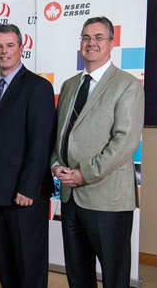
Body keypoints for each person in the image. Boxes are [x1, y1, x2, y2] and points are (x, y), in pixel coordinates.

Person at [51, 16, 144, 288]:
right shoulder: (69, 85)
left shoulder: (127, 84)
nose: (91, 43)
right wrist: (56, 165)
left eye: (98, 37)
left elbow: (125, 142)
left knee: (114, 277)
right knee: (78, 276)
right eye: (86, 38)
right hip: (70, 198)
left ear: (111, 43)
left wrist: (84, 174)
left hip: (108, 199)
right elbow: (59, 136)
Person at [0, 24, 56, 288]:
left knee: (30, 266)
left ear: (21, 48)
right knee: (5, 264)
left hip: (25, 195)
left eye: (10, 45)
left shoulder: (38, 86)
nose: (4, 51)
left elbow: (41, 142)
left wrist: (28, 188)